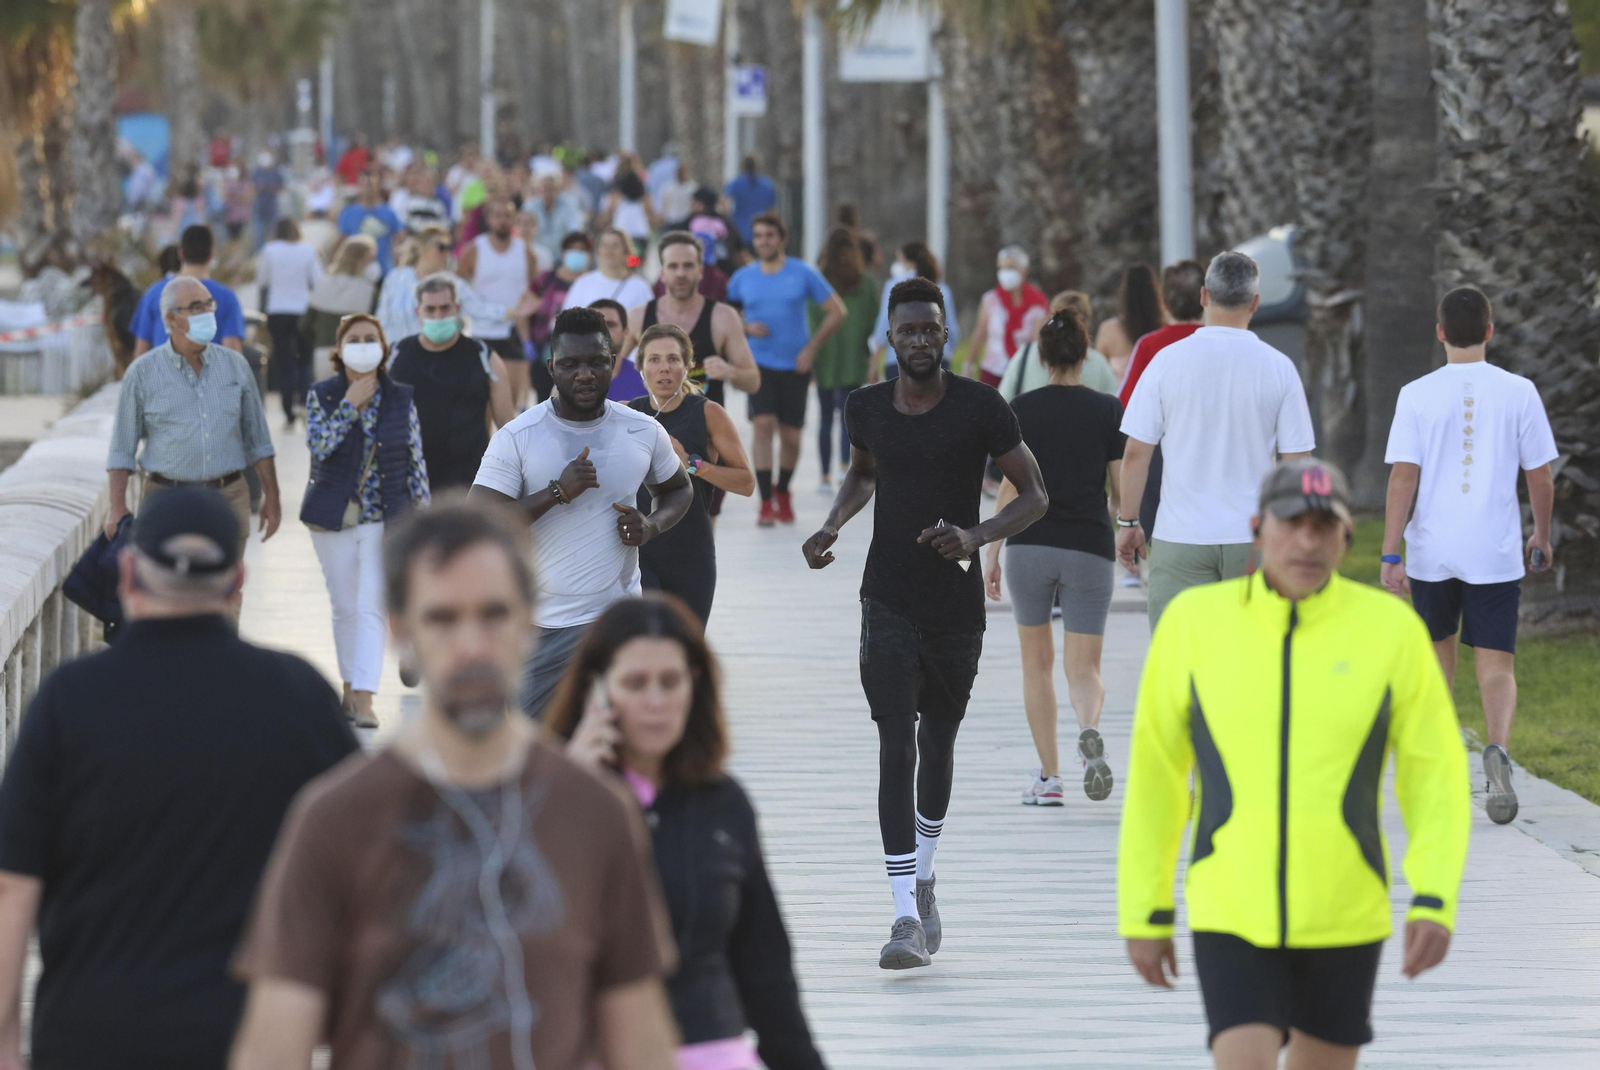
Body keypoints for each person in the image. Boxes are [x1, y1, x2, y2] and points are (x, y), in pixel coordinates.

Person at [229, 500, 680, 1070]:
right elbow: (274, 1047)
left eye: (493, 615)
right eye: (442, 618)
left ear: (528, 620)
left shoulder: (595, 815)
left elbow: (639, 1035)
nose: (471, 646)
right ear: (399, 627)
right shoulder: (334, 820)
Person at [1118, 458, 1471, 1070]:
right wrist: (1144, 909)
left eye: (1323, 526)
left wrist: (1434, 895)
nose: (1307, 541)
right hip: (1230, 907)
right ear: (1258, 529)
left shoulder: (1389, 631)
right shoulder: (1195, 625)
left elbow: (1434, 773)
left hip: (1345, 910)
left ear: (1346, 538)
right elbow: (1156, 777)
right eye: (1291, 523)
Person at [0, 486, 357, 1069]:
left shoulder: (69, 701)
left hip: (90, 1038)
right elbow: (376, 866)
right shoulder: (299, 697)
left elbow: (12, 886)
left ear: (130, 577)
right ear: (236, 582)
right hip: (244, 1043)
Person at [801, 278, 1048, 969]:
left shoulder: (981, 407)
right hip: (886, 596)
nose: (916, 340)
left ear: (945, 336)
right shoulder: (867, 407)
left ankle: (927, 873)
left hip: (954, 606)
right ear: (889, 336)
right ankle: (904, 914)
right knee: (895, 746)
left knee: (937, 744)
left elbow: (1034, 494)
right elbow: (862, 475)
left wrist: (977, 536)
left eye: (928, 329)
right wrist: (829, 524)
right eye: (905, 330)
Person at [549, 596, 827, 1070]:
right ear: (598, 690)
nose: (656, 702)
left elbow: (767, 974)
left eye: (670, 681)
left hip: (712, 1049)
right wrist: (568, 794)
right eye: (636, 683)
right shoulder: (547, 802)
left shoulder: (723, 805)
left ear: (695, 685)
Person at [1380, 285, 1557, 825]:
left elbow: (1402, 478)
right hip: (1496, 551)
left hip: (1432, 551)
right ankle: (1497, 751)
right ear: (1489, 330)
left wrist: (1391, 552)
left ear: (1439, 333)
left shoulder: (1415, 393)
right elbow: (1540, 476)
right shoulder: (1519, 391)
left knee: (1437, 657)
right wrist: (1541, 536)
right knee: (1496, 664)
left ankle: (1438, 762)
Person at [469, 307, 694, 719]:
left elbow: (678, 488)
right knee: (530, 752)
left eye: (595, 362)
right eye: (571, 364)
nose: (585, 374)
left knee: (615, 750)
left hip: (618, 622)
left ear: (613, 363)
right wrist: (556, 492)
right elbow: (478, 524)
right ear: (552, 367)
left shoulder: (641, 429)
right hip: (539, 627)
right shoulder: (518, 436)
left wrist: (651, 524)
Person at [1116, 251, 1316, 628]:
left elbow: (1136, 452)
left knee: (1181, 663)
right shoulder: (1279, 367)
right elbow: (1298, 462)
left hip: (1180, 537)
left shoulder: (1166, 361)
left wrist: (1129, 523)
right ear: (1255, 303)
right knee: (1256, 661)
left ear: (1205, 296)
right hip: (1255, 538)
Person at [983, 309, 1124, 805]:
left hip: (1030, 545)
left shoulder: (1021, 408)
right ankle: (1089, 732)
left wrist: (992, 551)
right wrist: (1127, 531)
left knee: (1036, 664)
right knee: (1084, 668)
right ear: (1086, 355)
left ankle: (1050, 778)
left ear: (1041, 356)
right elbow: (1120, 488)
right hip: (1090, 546)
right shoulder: (1108, 410)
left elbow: (1007, 488)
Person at [303, 314, 430, 729]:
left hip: (386, 515)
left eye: (370, 338)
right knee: (344, 607)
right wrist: (349, 405)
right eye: (353, 339)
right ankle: (348, 686)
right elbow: (318, 446)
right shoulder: (321, 395)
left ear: (383, 347)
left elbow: (415, 460)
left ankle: (365, 696)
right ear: (339, 351)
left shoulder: (401, 397)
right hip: (334, 517)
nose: (362, 345)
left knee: (372, 606)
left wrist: (424, 518)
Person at [107, 276, 281, 558]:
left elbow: (259, 440)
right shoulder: (141, 374)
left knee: (224, 595)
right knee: (167, 594)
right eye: (196, 307)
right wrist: (117, 507)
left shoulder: (236, 366)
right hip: (166, 500)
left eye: (209, 305)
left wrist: (272, 497)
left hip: (227, 499)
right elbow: (121, 449)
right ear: (171, 318)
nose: (208, 314)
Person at [628, 323, 756, 624]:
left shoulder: (708, 413)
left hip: (691, 552)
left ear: (687, 366)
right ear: (641, 368)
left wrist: (692, 463)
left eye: (673, 359)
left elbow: (746, 483)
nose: (664, 368)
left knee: (687, 653)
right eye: (654, 360)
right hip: (640, 553)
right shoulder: (627, 415)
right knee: (648, 639)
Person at [729, 213, 847, 526]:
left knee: (791, 438)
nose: (763, 241)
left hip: (795, 365)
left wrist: (811, 349)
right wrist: (744, 327)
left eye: (769, 235)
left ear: (782, 239)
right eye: (758, 236)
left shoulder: (803, 273)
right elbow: (723, 316)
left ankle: (784, 490)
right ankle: (765, 501)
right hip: (758, 364)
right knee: (763, 425)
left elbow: (837, 311)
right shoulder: (743, 277)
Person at [1116, 259, 1208, 565]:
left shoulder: (1149, 346)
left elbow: (1125, 407)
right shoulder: (1218, 341)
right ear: (1206, 296)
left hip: (1162, 466)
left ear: (1164, 300)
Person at [389, 273, 515, 492]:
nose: (438, 315)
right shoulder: (396, 356)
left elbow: (506, 424)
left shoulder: (483, 356)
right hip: (409, 482)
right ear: (418, 313)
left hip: (468, 483)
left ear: (457, 309)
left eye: (445, 308)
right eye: (430, 309)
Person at [629, 230, 761, 409]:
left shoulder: (723, 317)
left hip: (706, 430)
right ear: (662, 273)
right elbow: (613, 374)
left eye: (688, 266)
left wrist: (730, 372)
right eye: (673, 266)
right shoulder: (638, 317)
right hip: (652, 430)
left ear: (700, 271)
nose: (681, 273)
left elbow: (753, 382)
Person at [375, 222, 532, 354]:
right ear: (422, 247)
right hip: (396, 358)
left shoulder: (452, 283)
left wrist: (514, 312)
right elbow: (382, 318)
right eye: (441, 247)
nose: (446, 253)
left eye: (449, 247)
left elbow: (479, 310)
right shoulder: (396, 277)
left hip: (435, 359)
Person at [811, 225, 880, 491]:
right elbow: (872, 322)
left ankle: (825, 474)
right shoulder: (864, 284)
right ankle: (842, 467)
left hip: (827, 357)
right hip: (853, 358)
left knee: (826, 416)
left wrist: (813, 351)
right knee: (847, 417)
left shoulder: (819, 282)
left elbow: (812, 317)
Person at [458, 199, 542, 410]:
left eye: (507, 216)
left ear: (514, 219)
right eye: (497, 215)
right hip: (482, 331)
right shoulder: (475, 249)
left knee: (511, 402)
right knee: (482, 402)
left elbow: (534, 288)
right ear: (489, 219)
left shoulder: (525, 252)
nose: (502, 221)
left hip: (514, 332)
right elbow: (458, 285)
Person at [129, 224, 246, 358]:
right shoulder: (227, 298)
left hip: (162, 377)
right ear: (211, 255)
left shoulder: (154, 293)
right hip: (208, 377)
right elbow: (232, 354)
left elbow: (141, 351)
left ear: (180, 253)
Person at [256, 218, 323, 425]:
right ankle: (304, 402)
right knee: (304, 359)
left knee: (284, 361)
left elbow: (262, 280)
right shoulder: (308, 250)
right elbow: (318, 280)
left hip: (278, 309)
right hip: (302, 309)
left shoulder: (270, 250)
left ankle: (287, 409)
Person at [998, 290, 1118, 401]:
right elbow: (1116, 405)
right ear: (1086, 324)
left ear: (1049, 319)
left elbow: (1004, 398)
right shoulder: (1098, 362)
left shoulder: (1026, 353)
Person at [869, 240, 959, 381]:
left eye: (900, 260)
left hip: (898, 361)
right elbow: (953, 332)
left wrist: (874, 363)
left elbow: (883, 326)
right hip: (937, 359)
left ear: (910, 263)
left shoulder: (893, 287)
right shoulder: (943, 289)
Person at [528, 231, 596, 401]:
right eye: (572, 249)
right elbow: (523, 309)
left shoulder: (594, 282)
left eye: (582, 250)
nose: (577, 254)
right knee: (545, 399)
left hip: (584, 350)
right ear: (563, 252)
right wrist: (526, 342)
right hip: (547, 350)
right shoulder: (546, 280)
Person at [302, 235, 380, 381]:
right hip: (358, 355)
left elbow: (304, 326)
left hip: (324, 351)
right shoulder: (368, 290)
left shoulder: (321, 284)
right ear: (362, 260)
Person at [974, 245, 1049, 387]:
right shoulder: (991, 299)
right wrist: (969, 363)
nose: (1005, 273)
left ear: (1024, 271)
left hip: (1023, 372)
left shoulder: (1037, 303)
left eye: (1010, 268)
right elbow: (980, 332)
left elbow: (1036, 343)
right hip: (992, 370)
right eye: (1001, 268)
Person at [1095, 262, 1166, 383]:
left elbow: (1099, 373)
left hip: (1121, 400)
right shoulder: (1165, 326)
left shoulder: (1108, 329)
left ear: (1124, 292)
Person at [563, 228, 655, 311]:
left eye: (615, 246)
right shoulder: (583, 283)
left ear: (626, 252)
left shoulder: (640, 287)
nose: (609, 251)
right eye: (605, 245)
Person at [337, 167, 404, 275]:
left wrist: (399, 268)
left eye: (372, 185)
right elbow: (341, 243)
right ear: (359, 186)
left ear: (378, 186)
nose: (368, 189)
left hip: (384, 272)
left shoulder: (390, 213)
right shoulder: (348, 213)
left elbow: (399, 242)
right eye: (365, 185)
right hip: (356, 272)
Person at [592, 297, 648, 403]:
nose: (603, 331)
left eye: (610, 325)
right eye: (595, 325)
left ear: (626, 331)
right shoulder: (569, 380)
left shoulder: (646, 380)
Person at [528, 161, 586, 264]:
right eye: (544, 187)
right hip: (536, 257)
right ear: (538, 188)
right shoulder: (530, 205)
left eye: (551, 187)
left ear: (558, 188)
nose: (547, 191)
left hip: (562, 257)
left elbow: (575, 230)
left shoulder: (569, 204)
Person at [600, 162, 659, 247]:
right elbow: (650, 213)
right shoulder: (644, 198)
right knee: (638, 258)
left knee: (623, 257)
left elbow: (609, 213)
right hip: (640, 232)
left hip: (622, 233)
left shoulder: (616, 197)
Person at [723, 154, 777, 246]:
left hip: (739, 231)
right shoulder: (767, 185)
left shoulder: (734, 184)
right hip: (761, 233)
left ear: (742, 166)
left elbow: (725, 206)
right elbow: (771, 211)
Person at [249, 151, 285, 250]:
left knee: (272, 230)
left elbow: (281, 187)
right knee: (259, 233)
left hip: (272, 206)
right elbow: (251, 187)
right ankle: (260, 251)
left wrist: (268, 187)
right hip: (259, 206)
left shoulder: (276, 173)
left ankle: (273, 249)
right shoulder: (256, 172)